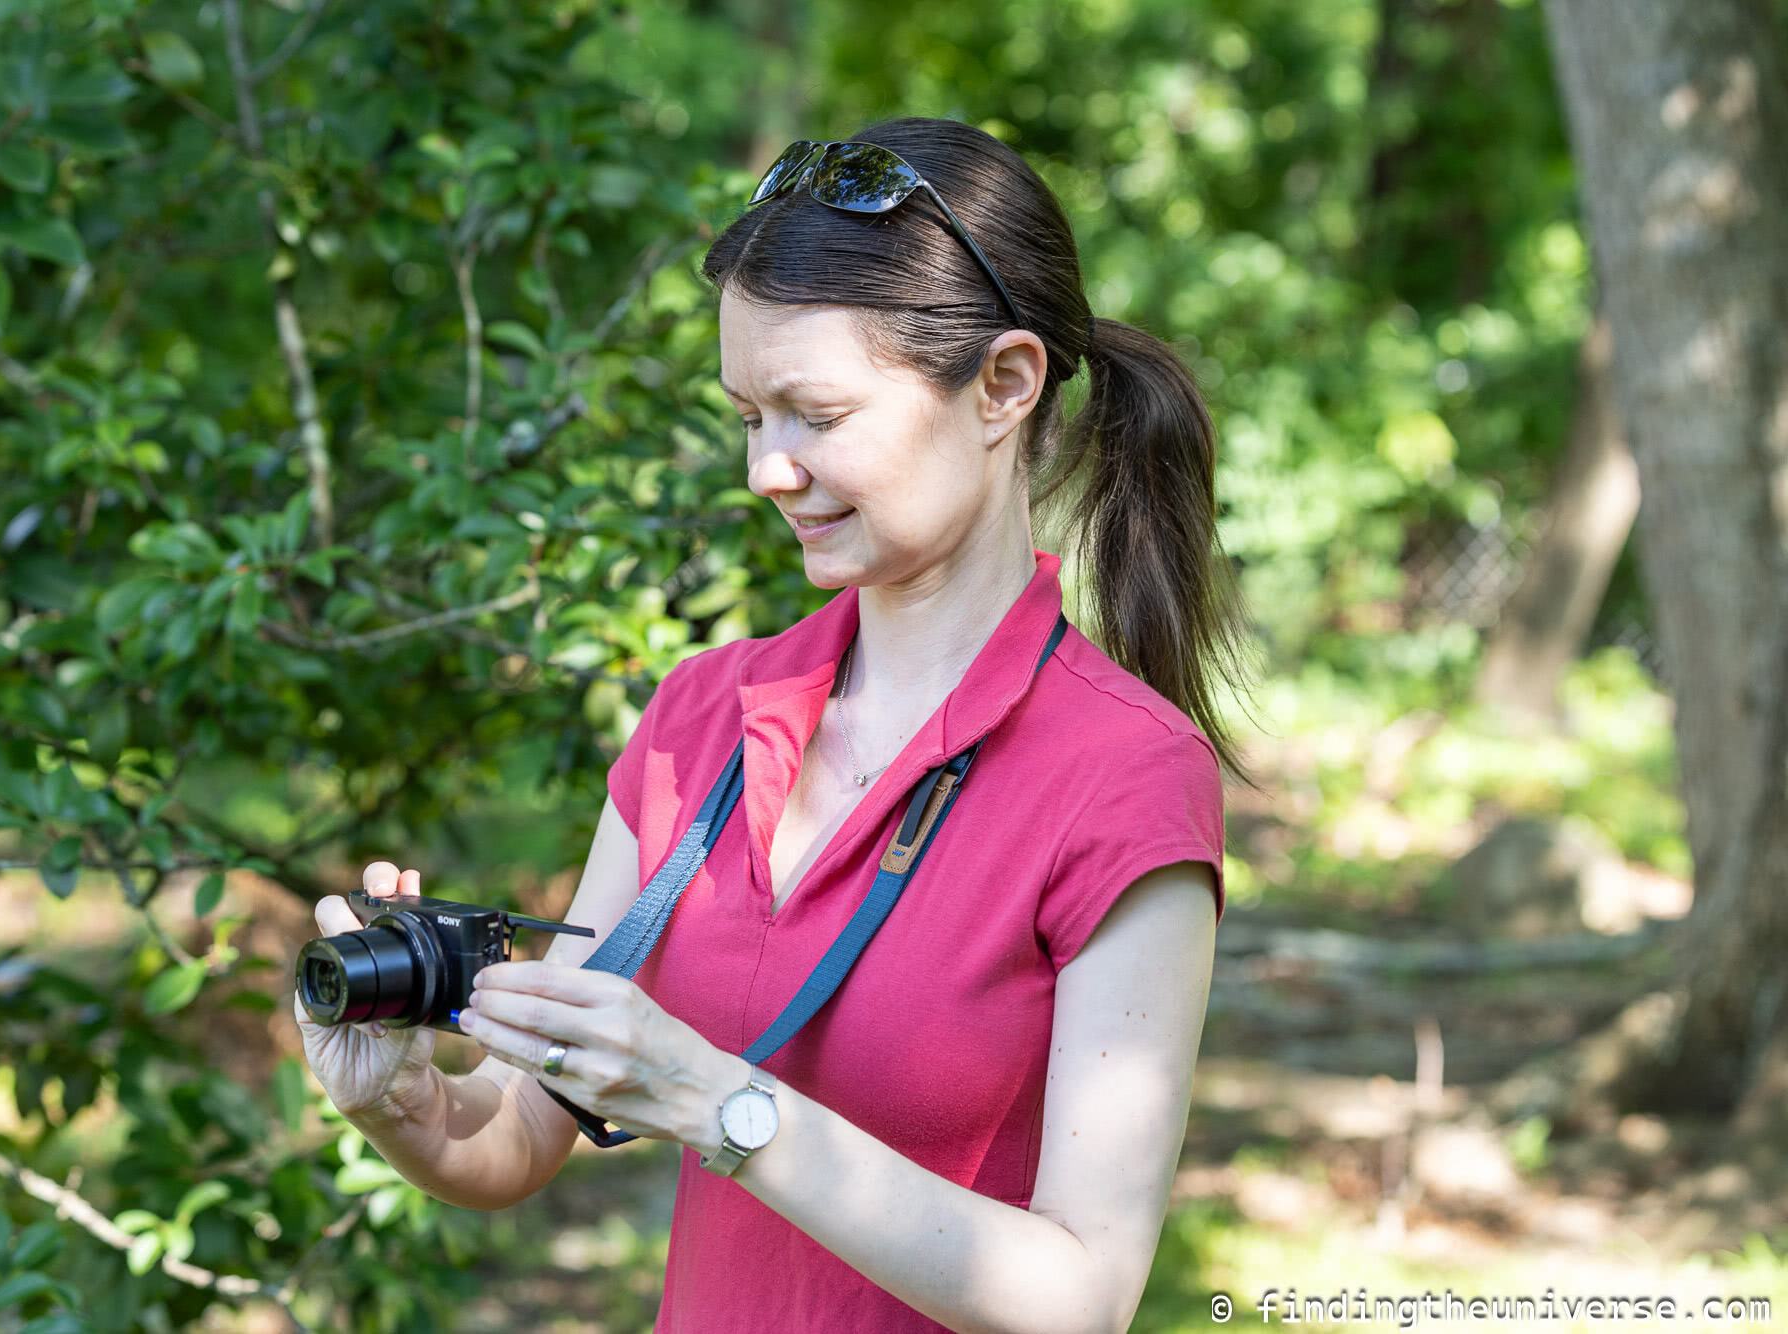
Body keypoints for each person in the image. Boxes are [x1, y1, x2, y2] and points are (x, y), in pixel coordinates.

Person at [296, 115, 1259, 1332]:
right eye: (749, 416)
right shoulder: (698, 715)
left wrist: (715, 1101)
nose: (766, 468)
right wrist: (397, 1098)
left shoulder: (1123, 773)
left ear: (1004, 385)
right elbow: (518, 1130)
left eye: (816, 413)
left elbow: (1080, 1296)